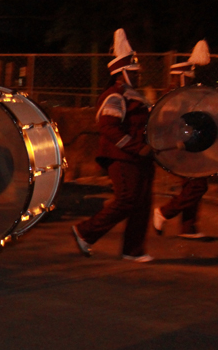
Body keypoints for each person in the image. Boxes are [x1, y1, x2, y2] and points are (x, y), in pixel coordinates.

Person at [72, 28, 154, 262]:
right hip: (122, 157)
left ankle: (133, 250)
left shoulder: (134, 95)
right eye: (133, 72)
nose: (137, 76)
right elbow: (108, 128)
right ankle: (84, 232)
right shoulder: (115, 95)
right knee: (127, 200)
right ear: (121, 73)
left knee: (142, 203)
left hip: (139, 157)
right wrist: (137, 147)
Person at [153, 39, 211, 238]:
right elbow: (171, 126)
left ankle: (188, 227)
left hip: (186, 147)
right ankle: (163, 212)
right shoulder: (173, 98)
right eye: (189, 77)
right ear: (181, 77)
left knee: (193, 184)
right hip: (178, 149)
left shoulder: (181, 97)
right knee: (198, 184)